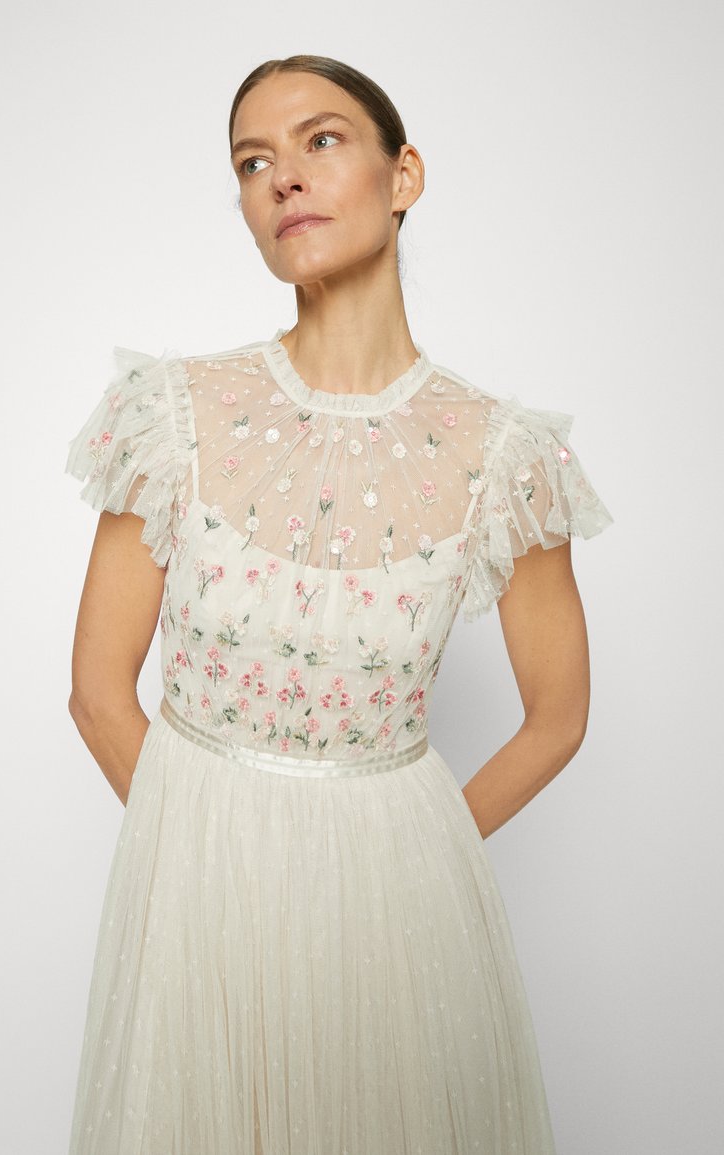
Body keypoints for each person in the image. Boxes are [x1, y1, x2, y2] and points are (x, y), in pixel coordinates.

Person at [64, 53, 613, 1154]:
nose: (282, 178)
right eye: (251, 162)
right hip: (199, 916)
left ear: (403, 175)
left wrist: (401, 865)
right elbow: (97, 693)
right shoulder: (172, 414)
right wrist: (202, 855)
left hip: (395, 933)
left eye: (319, 141)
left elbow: (557, 715)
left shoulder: (503, 455)